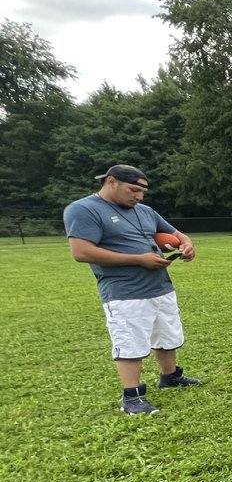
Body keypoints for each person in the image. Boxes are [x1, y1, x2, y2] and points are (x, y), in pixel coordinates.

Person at [64, 164, 201, 415]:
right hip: (125, 292)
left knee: (166, 335)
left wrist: (186, 244)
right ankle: (133, 397)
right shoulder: (83, 210)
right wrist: (139, 259)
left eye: (142, 192)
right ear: (112, 181)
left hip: (160, 285)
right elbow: (81, 252)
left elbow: (177, 234)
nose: (139, 196)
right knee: (130, 342)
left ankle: (170, 377)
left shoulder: (145, 211)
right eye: (134, 190)